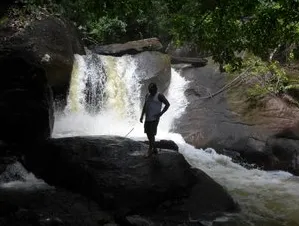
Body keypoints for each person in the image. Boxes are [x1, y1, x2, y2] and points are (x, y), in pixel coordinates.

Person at [140, 83, 170, 157]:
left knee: (151, 134)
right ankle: (155, 148)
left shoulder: (159, 96)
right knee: (147, 133)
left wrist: (161, 113)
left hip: (154, 118)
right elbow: (145, 105)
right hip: (147, 118)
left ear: (156, 89)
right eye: (150, 90)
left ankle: (150, 150)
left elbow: (167, 104)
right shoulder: (147, 95)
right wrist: (141, 116)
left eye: (152, 90)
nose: (151, 92)